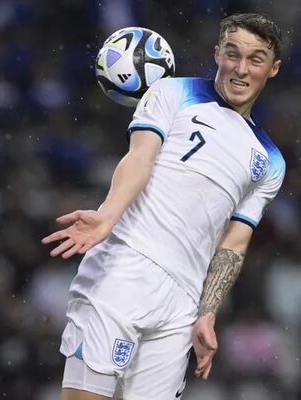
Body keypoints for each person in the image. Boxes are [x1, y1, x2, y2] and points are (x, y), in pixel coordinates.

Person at [42, 13, 284, 400]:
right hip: (123, 265)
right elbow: (140, 158)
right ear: (217, 52)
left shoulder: (271, 161)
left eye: (255, 60)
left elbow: (234, 244)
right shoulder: (173, 92)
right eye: (233, 54)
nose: (241, 69)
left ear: (273, 69)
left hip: (182, 305)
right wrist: (107, 216)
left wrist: (208, 311)